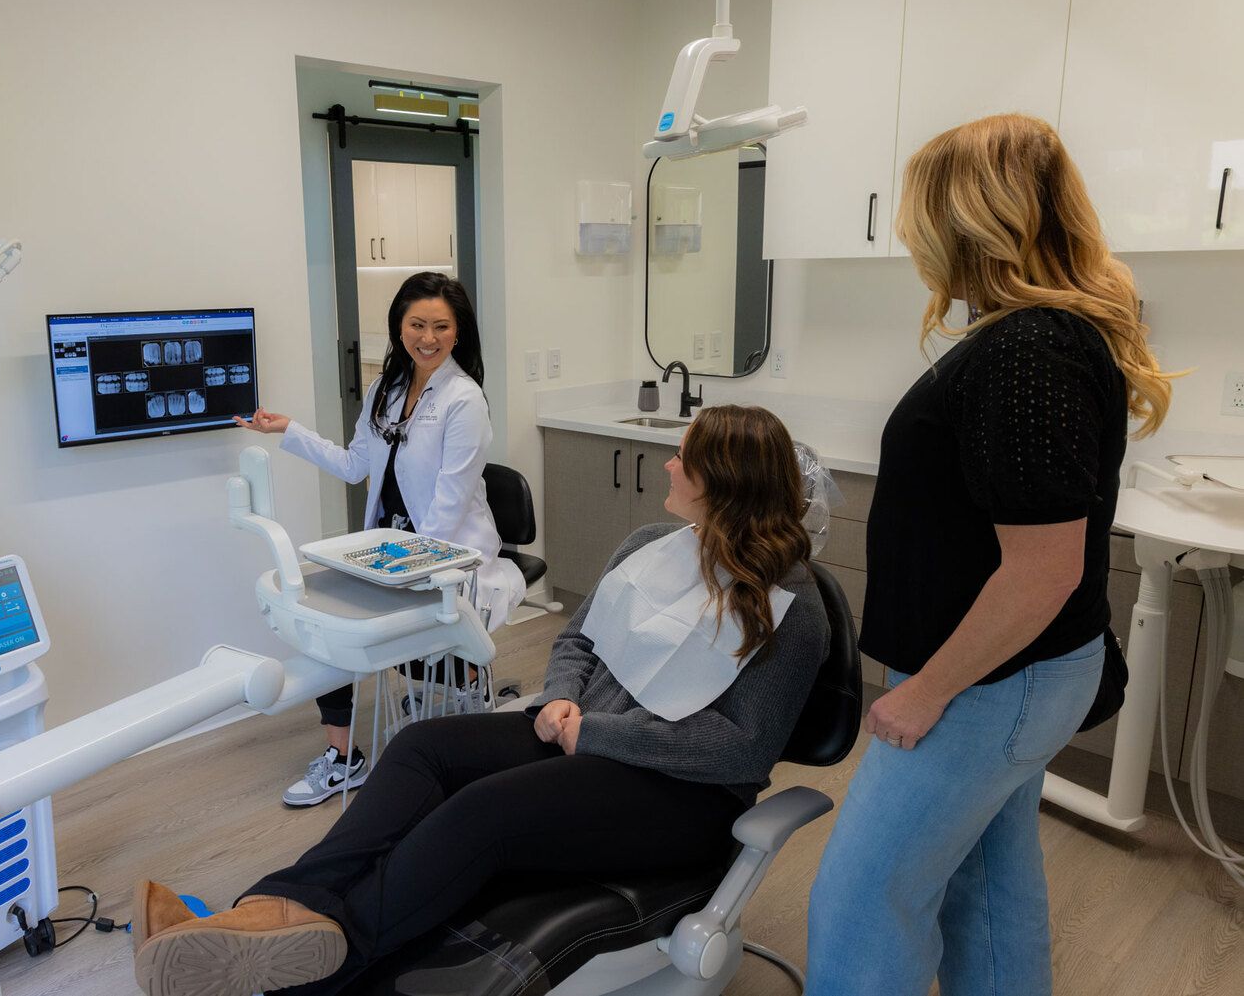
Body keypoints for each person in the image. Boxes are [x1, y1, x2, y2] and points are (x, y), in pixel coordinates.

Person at [130, 404, 831, 996]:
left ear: (725, 480)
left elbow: (739, 747)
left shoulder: (791, 607)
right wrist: (560, 702)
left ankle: (317, 968)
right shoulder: (654, 543)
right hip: (580, 730)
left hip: (682, 793)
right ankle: (271, 909)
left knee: (484, 813)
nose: (670, 467)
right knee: (421, 749)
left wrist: (595, 733)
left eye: (684, 458)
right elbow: (578, 639)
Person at [805, 114, 1175, 996]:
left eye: (920, 212)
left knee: (861, 897)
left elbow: (1042, 571)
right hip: (1015, 674)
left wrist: (926, 691)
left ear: (964, 217)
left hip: (987, 682)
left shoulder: (1027, 351)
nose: (910, 234)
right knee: (986, 884)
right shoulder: (1033, 337)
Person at [237, 271, 525, 807]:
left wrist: (397, 570)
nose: (428, 337)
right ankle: (345, 759)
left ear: (458, 332)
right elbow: (354, 466)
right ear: (399, 326)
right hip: (390, 547)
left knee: (350, 628)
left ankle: (458, 684)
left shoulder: (465, 400)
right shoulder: (386, 390)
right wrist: (290, 431)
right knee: (324, 618)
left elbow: (449, 505)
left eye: (441, 326)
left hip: (443, 558)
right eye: (417, 324)